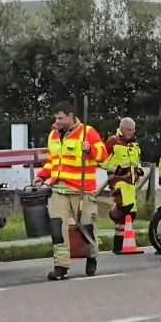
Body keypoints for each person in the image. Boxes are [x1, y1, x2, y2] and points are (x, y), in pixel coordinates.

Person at [33, 102, 107, 280]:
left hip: (81, 189)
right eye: (55, 118)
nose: (57, 121)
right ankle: (61, 266)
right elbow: (52, 161)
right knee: (58, 228)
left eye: (60, 118)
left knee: (86, 227)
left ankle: (91, 255)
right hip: (58, 188)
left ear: (70, 115)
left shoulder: (87, 132)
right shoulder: (53, 135)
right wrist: (41, 176)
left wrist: (89, 150)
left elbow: (103, 154)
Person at [100, 117, 144, 253]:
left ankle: (119, 247)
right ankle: (112, 213)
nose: (131, 132)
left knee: (130, 214)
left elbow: (136, 161)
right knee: (125, 207)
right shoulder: (112, 141)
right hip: (118, 181)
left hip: (131, 182)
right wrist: (115, 168)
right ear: (122, 128)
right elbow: (100, 159)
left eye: (133, 130)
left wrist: (139, 169)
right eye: (129, 130)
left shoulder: (134, 145)